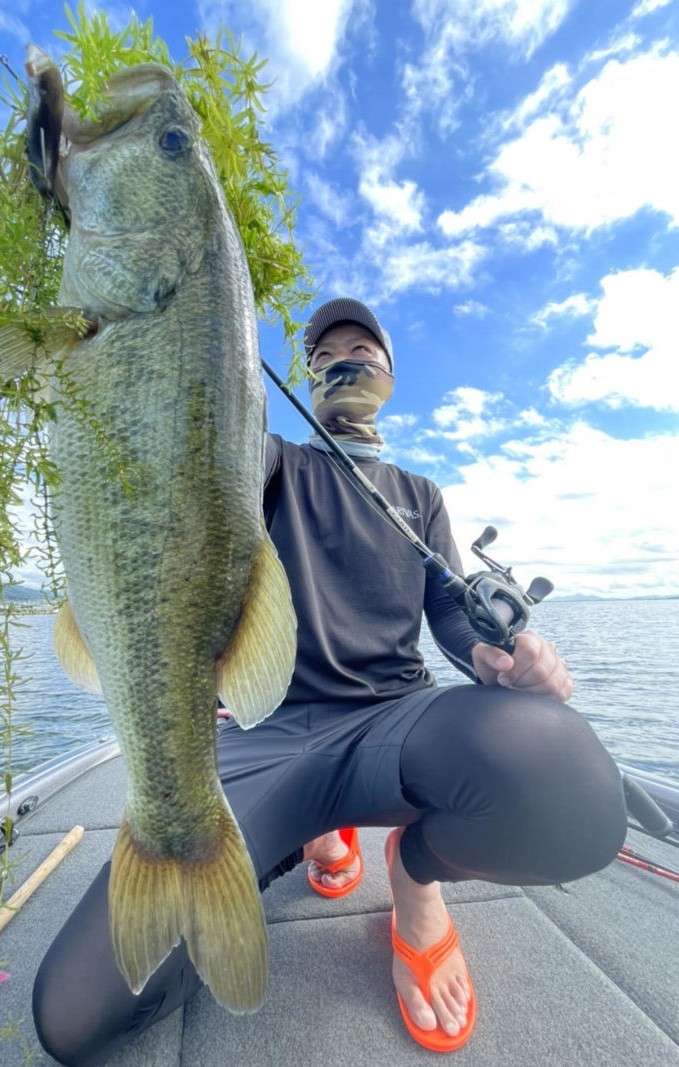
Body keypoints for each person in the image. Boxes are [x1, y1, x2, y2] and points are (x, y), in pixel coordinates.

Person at [32, 298, 627, 1063]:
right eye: (324, 355)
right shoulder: (273, 461)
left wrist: (492, 654)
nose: (344, 360)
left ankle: (413, 873)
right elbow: (203, 445)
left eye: (362, 350)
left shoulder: (421, 494)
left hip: (398, 720)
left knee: (575, 781)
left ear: (390, 376)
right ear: (307, 381)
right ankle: (309, 828)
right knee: (74, 1011)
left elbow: (450, 608)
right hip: (273, 730)